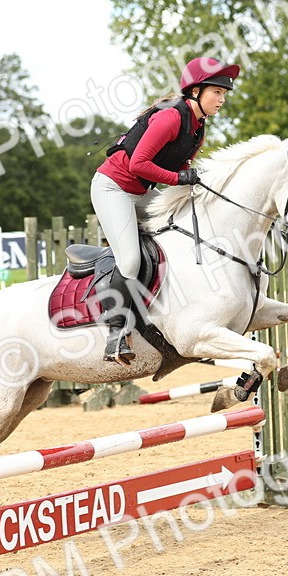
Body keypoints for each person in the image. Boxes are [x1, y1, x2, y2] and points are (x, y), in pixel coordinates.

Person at [90, 56, 241, 364]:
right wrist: (179, 178)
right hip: (113, 188)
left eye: (224, 93)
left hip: (142, 192)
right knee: (130, 260)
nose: (222, 99)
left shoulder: (198, 128)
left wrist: (196, 179)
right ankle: (116, 333)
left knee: (179, 233)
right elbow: (138, 164)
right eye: (217, 92)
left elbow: (178, 165)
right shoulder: (171, 117)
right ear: (196, 91)